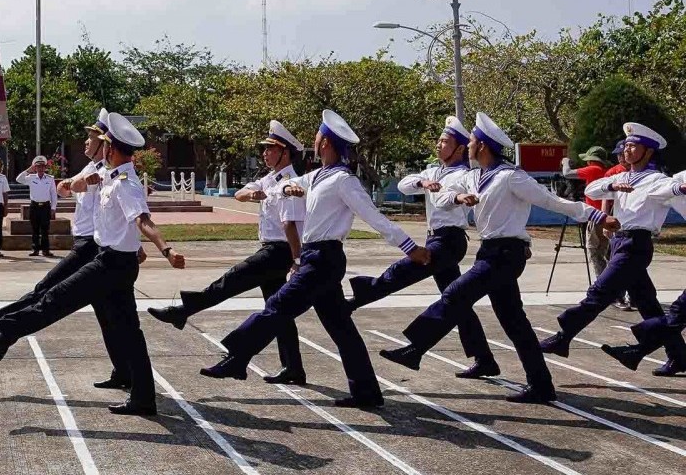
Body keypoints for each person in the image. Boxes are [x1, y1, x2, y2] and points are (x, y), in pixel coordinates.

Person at [380, 112, 619, 404]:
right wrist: (455, 198)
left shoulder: (510, 177)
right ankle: (541, 385)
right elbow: (442, 195)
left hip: (506, 254)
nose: (467, 145)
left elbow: (553, 202)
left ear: (482, 146)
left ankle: (415, 348)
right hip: (489, 250)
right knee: (513, 321)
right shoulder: (474, 176)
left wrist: (596, 215)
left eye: (471, 142)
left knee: (456, 294)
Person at [201, 110, 430, 410]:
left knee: (278, 306)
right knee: (341, 328)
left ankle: (237, 357)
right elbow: (279, 187)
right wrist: (288, 187)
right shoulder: (317, 176)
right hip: (315, 257)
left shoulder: (343, 180)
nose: (315, 139)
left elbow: (374, 218)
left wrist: (410, 247)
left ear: (326, 144)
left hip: (324, 259)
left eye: (319, 136)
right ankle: (367, 392)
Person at [0, 112, 187, 416]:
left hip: (110, 264)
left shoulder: (127, 183)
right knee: (128, 330)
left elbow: (143, 220)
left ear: (112, 149)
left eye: (105, 144)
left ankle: (1, 336)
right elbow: (72, 189)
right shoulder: (111, 174)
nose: (102, 149)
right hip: (115, 262)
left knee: (55, 299)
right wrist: (81, 182)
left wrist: (166, 249)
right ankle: (143, 397)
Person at [0, 109, 130, 389]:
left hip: (92, 247)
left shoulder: (108, 172)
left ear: (105, 143)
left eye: (91, 139)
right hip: (87, 244)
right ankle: (124, 372)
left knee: (49, 296)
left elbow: (127, 208)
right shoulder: (91, 169)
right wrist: (74, 182)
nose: (85, 143)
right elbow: (65, 187)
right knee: (109, 316)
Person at [148, 120, 307, 385]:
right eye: (265, 149)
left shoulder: (291, 182)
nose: (265, 153)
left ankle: (184, 311)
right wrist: (255, 194)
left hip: (279, 252)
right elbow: (241, 194)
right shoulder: (270, 179)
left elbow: (292, 225)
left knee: (230, 281)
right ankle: (292, 367)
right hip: (271, 249)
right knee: (278, 312)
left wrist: (296, 260)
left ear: (285, 152)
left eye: (270, 149)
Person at [346, 116, 500, 380]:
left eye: (445, 141)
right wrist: (422, 182)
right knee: (456, 302)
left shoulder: (465, 175)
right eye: (439, 140)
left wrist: (458, 196)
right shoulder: (432, 171)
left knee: (404, 271)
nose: (439, 145)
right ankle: (483, 358)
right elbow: (406, 186)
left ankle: (360, 297)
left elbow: (451, 199)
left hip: (450, 241)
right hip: (435, 239)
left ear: (460, 148)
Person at [539, 124, 686, 375]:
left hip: (635, 245)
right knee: (647, 304)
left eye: (633, 146)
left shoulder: (657, 179)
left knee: (599, 292)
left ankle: (564, 336)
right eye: (626, 145)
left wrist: (680, 188)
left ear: (648, 151)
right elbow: (590, 189)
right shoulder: (621, 177)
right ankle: (679, 356)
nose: (626, 150)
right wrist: (612, 187)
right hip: (619, 242)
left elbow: (672, 189)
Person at [562, 146, 615, 296]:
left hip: (596, 216)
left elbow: (567, 174)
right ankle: (610, 285)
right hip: (607, 215)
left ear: (591, 160)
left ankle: (603, 285)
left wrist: (565, 161)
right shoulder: (606, 171)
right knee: (606, 252)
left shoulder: (594, 169)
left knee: (594, 251)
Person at [603, 141, 634, 310]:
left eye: (622, 153)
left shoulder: (639, 172)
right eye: (619, 154)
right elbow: (606, 199)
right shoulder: (613, 173)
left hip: (634, 224)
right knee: (616, 259)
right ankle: (618, 295)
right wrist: (605, 220)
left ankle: (632, 295)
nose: (621, 157)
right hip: (617, 223)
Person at [17, 155, 57, 257]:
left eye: (42, 167)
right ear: (35, 168)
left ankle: (45, 250)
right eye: (38, 167)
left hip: (45, 206)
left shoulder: (50, 178)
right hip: (34, 206)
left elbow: (53, 194)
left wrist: (53, 208)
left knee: (45, 229)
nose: (40, 169)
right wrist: (29, 169)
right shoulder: (31, 178)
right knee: (35, 229)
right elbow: (19, 179)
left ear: (45, 168)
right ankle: (35, 249)